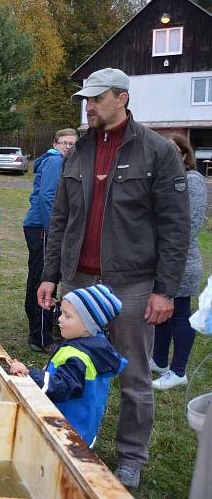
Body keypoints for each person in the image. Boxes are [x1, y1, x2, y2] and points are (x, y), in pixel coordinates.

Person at [37, 68, 190, 489]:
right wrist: (51, 274)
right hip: (79, 280)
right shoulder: (78, 152)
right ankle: (69, 439)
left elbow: (175, 227)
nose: (89, 106)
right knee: (72, 363)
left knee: (134, 375)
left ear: (121, 98)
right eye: (86, 100)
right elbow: (61, 217)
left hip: (133, 283)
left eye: (97, 99)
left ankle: (131, 458)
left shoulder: (158, 152)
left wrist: (165, 290)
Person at [10, 285, 128, 448]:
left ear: (88, 324)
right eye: (61, 313)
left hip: (66, 430)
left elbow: (62, 386)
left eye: (67, 316)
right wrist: (50, 370)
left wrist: (30, 374)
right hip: (83, 426)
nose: (59, 318)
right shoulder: (94, 346)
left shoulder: (78, 356)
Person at [151, 134, 208, 390]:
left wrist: (168, 252)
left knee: (180, 314)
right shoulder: (163, 179)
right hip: (161, 259)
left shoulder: (193, 181)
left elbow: (191, 224)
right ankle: (160, 361)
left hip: (181, 261)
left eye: (173, 150)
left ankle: (178, 371)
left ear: (185, 154)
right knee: (162, 314)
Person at [23, 128, 78, 353]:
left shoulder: (55, 160)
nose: (67, 147)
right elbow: (47, 197)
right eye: (63, 143)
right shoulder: (56, 161)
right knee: (46, 279)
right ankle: (42, 337)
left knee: (38, 277)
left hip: (38, 226)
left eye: (72, 144)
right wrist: (52, 230)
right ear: (55, 144)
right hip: (42, 228)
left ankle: (39, 329)